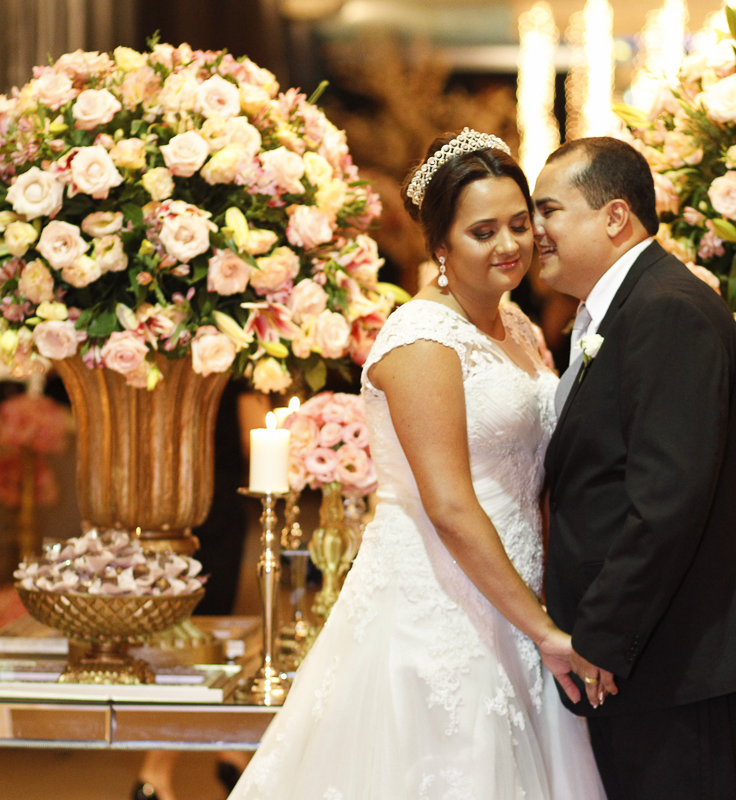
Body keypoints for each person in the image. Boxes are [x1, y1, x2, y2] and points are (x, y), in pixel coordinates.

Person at [228, 129, 605, 799]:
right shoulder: (422, 339)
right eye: (482, 232)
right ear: (440, 247)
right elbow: (449, 505)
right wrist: (544, 628)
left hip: (516, 595)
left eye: (519, 224)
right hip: (439, 604)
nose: (510, 244)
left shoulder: (517, 327)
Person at [534, 137, 736, 800]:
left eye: (549, 210)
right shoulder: (620, 309)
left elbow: (667, 500)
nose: (534, 230)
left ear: (615, 217)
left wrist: (601, 635)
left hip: (677, 659)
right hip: (650, 660)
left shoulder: (666, 309)